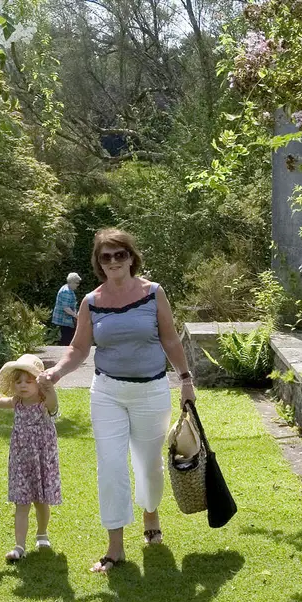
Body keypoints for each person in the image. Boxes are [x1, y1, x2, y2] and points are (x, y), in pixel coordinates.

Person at [38, 228, 196, 573]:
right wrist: (56, 373)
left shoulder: (154, 293)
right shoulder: (91, 302)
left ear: (131, 257)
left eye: (119, 254)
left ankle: (150, 514)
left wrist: (185, 379)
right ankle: (115, 547)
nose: (113, 262)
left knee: (149, 466)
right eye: (105, 256)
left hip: (151, 391)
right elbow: (79, 349)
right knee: (110, 467)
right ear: (98, 262)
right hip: (107, 391)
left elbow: (170, 339)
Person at [0, 354, 63, 563]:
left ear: (39, 384)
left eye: (29, 381)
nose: (22, 386)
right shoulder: (17, 403)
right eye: (18, 382)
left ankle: (42, 534)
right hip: (21, 460)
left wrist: (49, 388)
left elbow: (54, 405)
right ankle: (19, 546)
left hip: (42, 458)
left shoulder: (45, 404)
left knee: (41, 500)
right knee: (22, 501)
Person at [51, 272, 82, 346]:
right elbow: (66, 308)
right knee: (66, 339)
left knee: (68, 338)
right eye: (77, 283)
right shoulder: (66, 291)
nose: (78, 285)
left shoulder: (69, 289)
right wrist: (76, 316)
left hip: (66, 320)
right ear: (71, 282)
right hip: (64, 319)